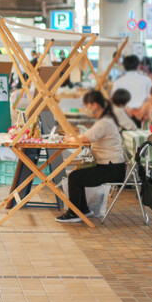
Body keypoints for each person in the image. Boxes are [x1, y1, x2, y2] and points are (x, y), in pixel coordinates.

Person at [57, 91, 126, 223]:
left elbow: (84, 138)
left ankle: (75, 213)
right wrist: (72, 138)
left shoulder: (104, 122)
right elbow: (88, 137)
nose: (87, 109)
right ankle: (82, 210)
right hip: (113, 167)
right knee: (77, 175)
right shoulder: (107, 119)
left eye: (87, 106)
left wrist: (68, 138)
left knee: (74, 177)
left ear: (95, 105)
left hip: (111, 169)